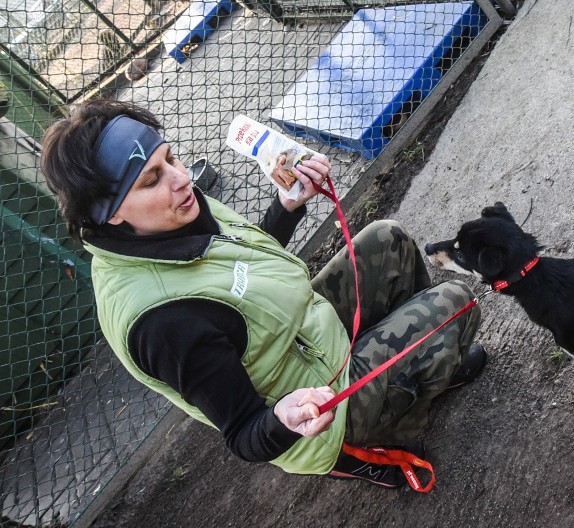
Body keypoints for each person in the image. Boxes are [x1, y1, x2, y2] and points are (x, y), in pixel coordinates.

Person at [40, 99, 485, 489]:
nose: (180, 178)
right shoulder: (162, 321)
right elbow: (244, 435)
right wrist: (283, 419)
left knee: (388, 239)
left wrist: (287, 205)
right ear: (111, 214)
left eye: (171, 158)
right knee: (454, 305)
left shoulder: (169, 214)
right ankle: (355, 451)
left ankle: (422, 371)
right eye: (152, 179)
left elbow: (242, 266)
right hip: (320, 411)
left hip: (306, 337)